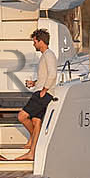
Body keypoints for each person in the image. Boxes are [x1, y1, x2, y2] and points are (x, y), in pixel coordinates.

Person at [18, 29, 58, 158]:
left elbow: (53, 74)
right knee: (36, 122)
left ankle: (34, 141)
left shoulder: (49, 55)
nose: (33, 44)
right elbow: (46, 75)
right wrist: (34, 83)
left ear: (40, 41)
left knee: (22, 117)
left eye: (34, 41)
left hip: (43, 93)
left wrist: (44, 90)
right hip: (41, 90)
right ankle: (32, 152)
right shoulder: (46, 55)